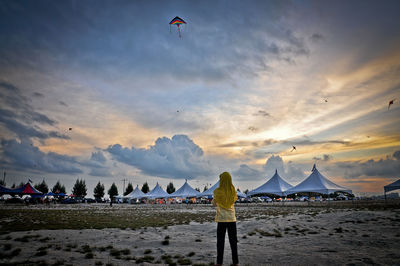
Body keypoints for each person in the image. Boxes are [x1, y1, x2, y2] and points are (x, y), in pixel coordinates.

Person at [212, 172, 239, 266]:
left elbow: (214, 203)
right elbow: (234, 199)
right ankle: (235, 262)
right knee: (233, 241)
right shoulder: (233, 190)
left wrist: (217, 201)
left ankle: (219, 263)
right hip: (232, 219)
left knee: (220, 241)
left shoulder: (217, 191)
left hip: (221, 219)